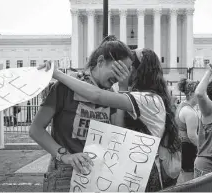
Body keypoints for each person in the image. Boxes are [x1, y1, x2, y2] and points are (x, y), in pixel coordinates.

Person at [47, 48, 181, 191]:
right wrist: (123, 86)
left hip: (144, 175)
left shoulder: (149, 99)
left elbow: (97, 95)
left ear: (136, 71)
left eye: (128, 66)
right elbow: (118, 130)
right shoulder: (137, 98)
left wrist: (58, 74)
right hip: (131, 174)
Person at [30, 36, 134, 192]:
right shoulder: (64, 87)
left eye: (125, 72)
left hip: (99, 173)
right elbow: (35, 129)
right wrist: (65, 155)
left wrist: (123, 88)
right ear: (100, 61)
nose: (120, 77)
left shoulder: (111, 94)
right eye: (118, 69)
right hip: (65, 173)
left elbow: (118, 132)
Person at [175, 78, 200, 183]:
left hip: (182, 147)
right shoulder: (189, 112)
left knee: (186, 179)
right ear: (191, 93)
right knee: (190, 181)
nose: (202, 95)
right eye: (199, 92)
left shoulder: (182, 106)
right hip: (188, 149)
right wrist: (204, 148)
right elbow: (192, 136)